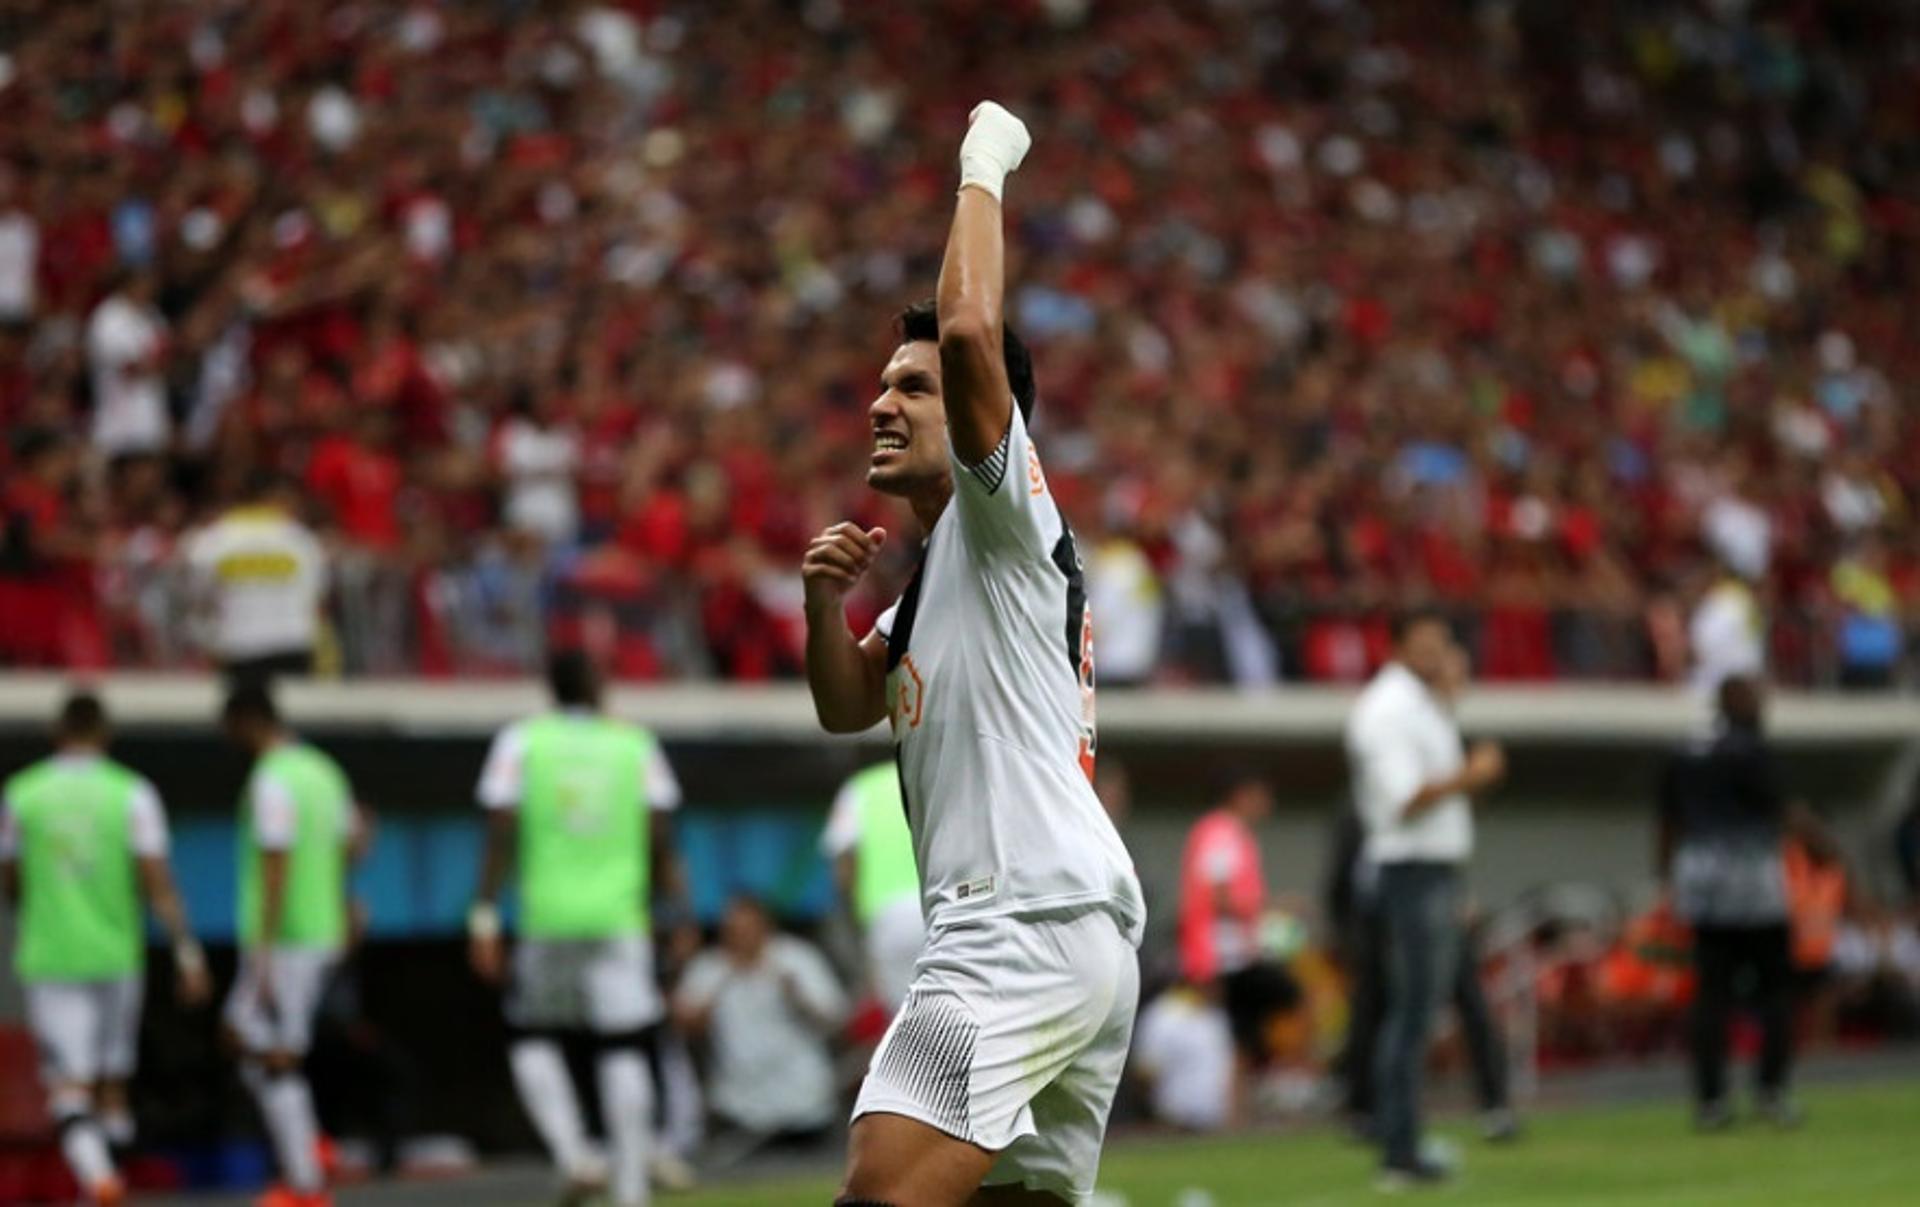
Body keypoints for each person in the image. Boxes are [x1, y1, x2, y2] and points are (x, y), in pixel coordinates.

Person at [801, 101, 1145, 1206]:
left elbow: (965, 335)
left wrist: (981, 161)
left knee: (878, 1193)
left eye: (909, 390)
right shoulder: (928, 585)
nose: (880, 402)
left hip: (1013, 928)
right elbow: (848, 706)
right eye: (883, 386)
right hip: (1074, 938)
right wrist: (822, 604)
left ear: (976, 418)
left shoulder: (1002, 524)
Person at [470, 650, 683, 1207]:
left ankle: (574, 1157)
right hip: (621, 918)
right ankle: (632, 1193)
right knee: (625, 1044)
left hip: (547, 917)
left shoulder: (521, 742)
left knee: (531, 1034)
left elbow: (499, 829)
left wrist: (485, 915)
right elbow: (661, 836)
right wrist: (679, 913)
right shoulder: (636, 745)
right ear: (596, 684)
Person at [0, 691, 210, 1205]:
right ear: (106, 735)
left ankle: (99, 1181)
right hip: (117, 955)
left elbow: (9, 875)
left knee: (70, 1085)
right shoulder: (133, 793)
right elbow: (157, 880)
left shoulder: (23, 793)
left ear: (56, 733)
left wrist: (31, 904)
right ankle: (105, 1178)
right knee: (112, 1080)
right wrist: (187, 953)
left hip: (51, 957)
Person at [1345, 611, 1507, 1188]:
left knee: (1418, 1011)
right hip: (1410, 873)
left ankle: (1406, 1141)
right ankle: (1397, 1150)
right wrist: (1474, 773)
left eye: (1444, 642)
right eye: (1427, 644)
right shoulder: (1387, 710)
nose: (1441, 655)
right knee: (1411, 1014)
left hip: (1432, 872)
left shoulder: (1420, 704)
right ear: (1396, 647)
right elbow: (1406, 801)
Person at [221, 681, 367, 1207]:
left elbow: (276, 862)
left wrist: (261, 951)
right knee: (254, 1040)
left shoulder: (272, 780)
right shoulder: (324, 770)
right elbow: (355, 837)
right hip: (320, 929)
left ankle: (305, 1181)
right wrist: (345, 899)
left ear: (246, 721)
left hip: (285, 938)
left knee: (269, 1048)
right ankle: (309, 1147)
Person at [1658, 674, 1800, 1130]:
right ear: (1734, 701)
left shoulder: (1687, 750)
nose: (1762, 705)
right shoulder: (1751, 751)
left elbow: (1668, 821)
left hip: (1700, 876)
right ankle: (1771, 1093)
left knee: (1710, 992)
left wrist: (1666, 879)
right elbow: (1783, 809)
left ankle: (1711, 1101)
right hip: (1750, 877)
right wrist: (1826, 847)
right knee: (1776, 988)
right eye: (1755, 697)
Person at [673, 896, 850, 1142]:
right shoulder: (709, 968)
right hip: (736, 1106)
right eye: (734, 932)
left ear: (766, 928)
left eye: (749, 931)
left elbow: (838, 1019)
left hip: (804, 1102)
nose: (742, 939)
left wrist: (798, 998)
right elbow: (683, 1027)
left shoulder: (797, 959)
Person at [1176, 776, 1297, 1079]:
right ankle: (1291, 1077)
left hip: (1233, 954)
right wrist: (1268, 909)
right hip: (1223, 955)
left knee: (1240, 1036)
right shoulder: (1221, 833)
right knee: (1288, 998)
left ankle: (1239, 1110)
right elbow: (1217, 894)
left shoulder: (1232, 833)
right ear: (1242, 795)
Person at [183, 473, 328, 681]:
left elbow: (198, 597)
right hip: (291, 641)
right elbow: (316, 594)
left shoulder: (211, 540)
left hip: (237, 642)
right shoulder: (301, 540)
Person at [821, 762, 924, 1015]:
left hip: (888, 918)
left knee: (906, 1012)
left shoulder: (859, 789)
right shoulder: (927, 773)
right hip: (940, 906)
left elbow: (843, 867)